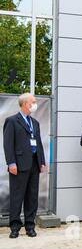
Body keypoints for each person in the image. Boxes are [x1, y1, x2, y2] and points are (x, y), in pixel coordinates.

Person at [3, 93, 47, 238]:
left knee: (32, 197)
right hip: (19, 165)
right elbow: (8, 144)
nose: (35, 104)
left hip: (34, 164)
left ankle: (30, 226)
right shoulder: (12, 121)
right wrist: (11, 163)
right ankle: (15, 227)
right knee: (17, 197)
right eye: (33, 102)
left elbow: (38, 143)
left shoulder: (35, 122)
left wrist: (41, 161)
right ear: (24, 104)